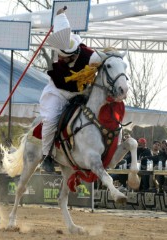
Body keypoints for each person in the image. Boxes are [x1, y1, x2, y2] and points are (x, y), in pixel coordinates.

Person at [40, 7, 101, 172]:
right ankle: (47, 155)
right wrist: (59, 14)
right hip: (57, 91)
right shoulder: (63, 40)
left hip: (81, 93)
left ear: (74, 54)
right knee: (51, 119)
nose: (59, 58)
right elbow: (61, 25)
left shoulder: (91, 56)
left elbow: (106, 63)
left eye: (63, 57)